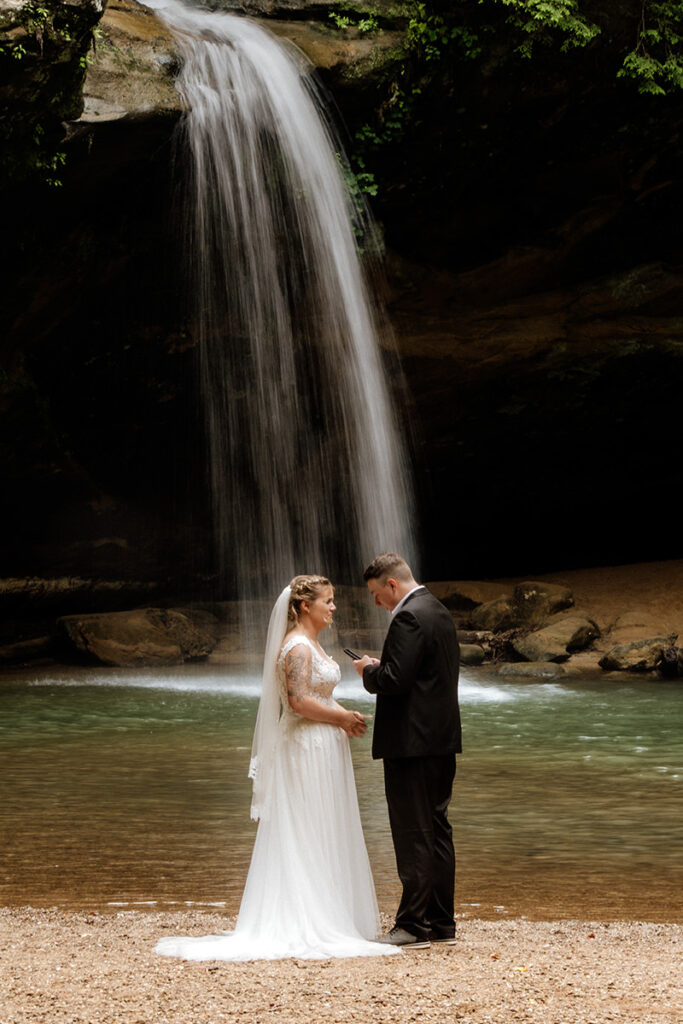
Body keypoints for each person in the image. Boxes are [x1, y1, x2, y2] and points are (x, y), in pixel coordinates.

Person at [155, 574, 400, 961]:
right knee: (306, 826)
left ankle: (330, 911)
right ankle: (307, 918)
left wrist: (342, 715)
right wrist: (340, 718)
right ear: (305, 605)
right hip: (305, 748)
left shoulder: (311, 644)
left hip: (322, 746)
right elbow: (298, 701)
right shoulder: (298, 647)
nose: (333, 607)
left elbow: (318, 696)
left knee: (322, 825)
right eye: (327, 601)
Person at [352, 553, 461, 949]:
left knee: (413, 832)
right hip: (440, 740)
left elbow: (394, 681)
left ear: (392, 585)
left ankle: (413, 925)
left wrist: (368, 671)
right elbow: (423, 674)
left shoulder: (408, 617)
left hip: (411, 745)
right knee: (437, 829)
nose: (376, 602)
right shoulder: (438, 610)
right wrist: (388, 665)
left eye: (376, 593)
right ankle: (441, 923)